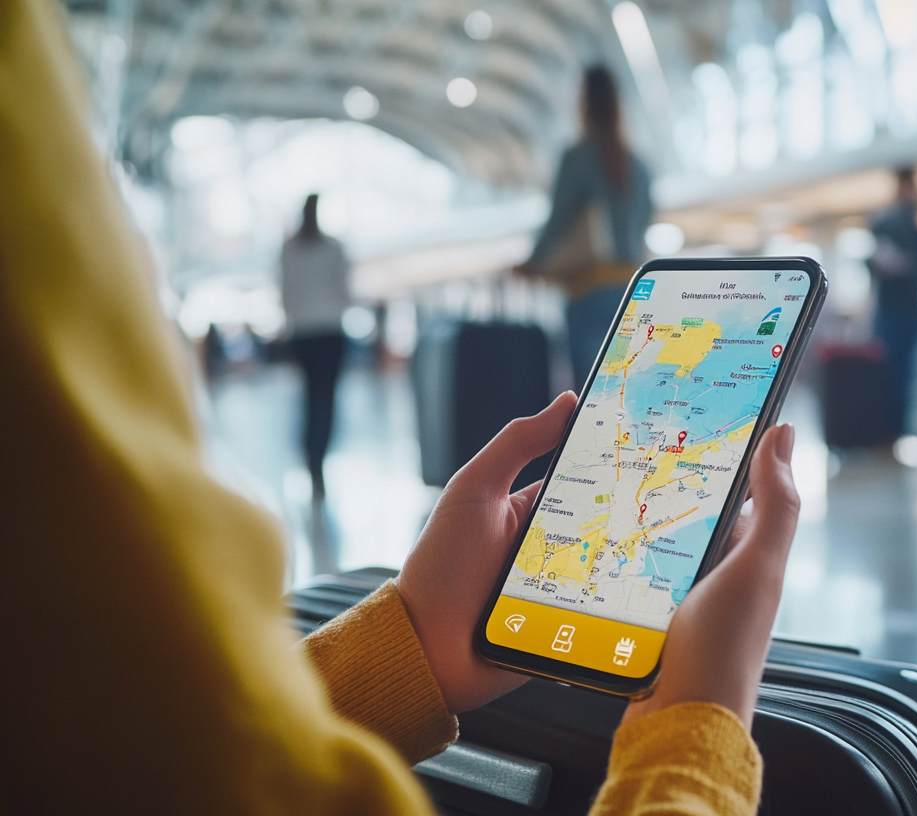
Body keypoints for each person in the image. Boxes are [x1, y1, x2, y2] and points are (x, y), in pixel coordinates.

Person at [1, 3, 800, 814]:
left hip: (583, 292)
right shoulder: (633, 157)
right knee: (640, 425)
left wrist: (417, 639)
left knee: (613, 423)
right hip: (629, 282)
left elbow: (157, 768)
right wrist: (695, 729)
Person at [518, 66, 653, 387]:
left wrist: (533, 262)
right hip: (632, 290)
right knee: (624, 386)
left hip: (588, 291)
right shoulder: (640, 166)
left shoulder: (578, 157)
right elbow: (646, 223)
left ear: (584, 103)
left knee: (589, 393)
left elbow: (557, 221)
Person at [280, 193, 352, 498]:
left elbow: (285, 292)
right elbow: (344, 291)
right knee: (326, 398)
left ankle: (313, 459)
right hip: (329, 331)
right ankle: (317, 457)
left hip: (304, 333)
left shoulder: (290, 251)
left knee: (311, 398)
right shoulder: (333, 249)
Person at [867, 167, 917, 438]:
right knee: (891, 376)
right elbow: (875, 264)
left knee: (902, 378)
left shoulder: (911, 223)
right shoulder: (890, 222)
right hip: (893, 313)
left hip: (907, 311)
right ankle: (889, 432)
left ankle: (896, 432)